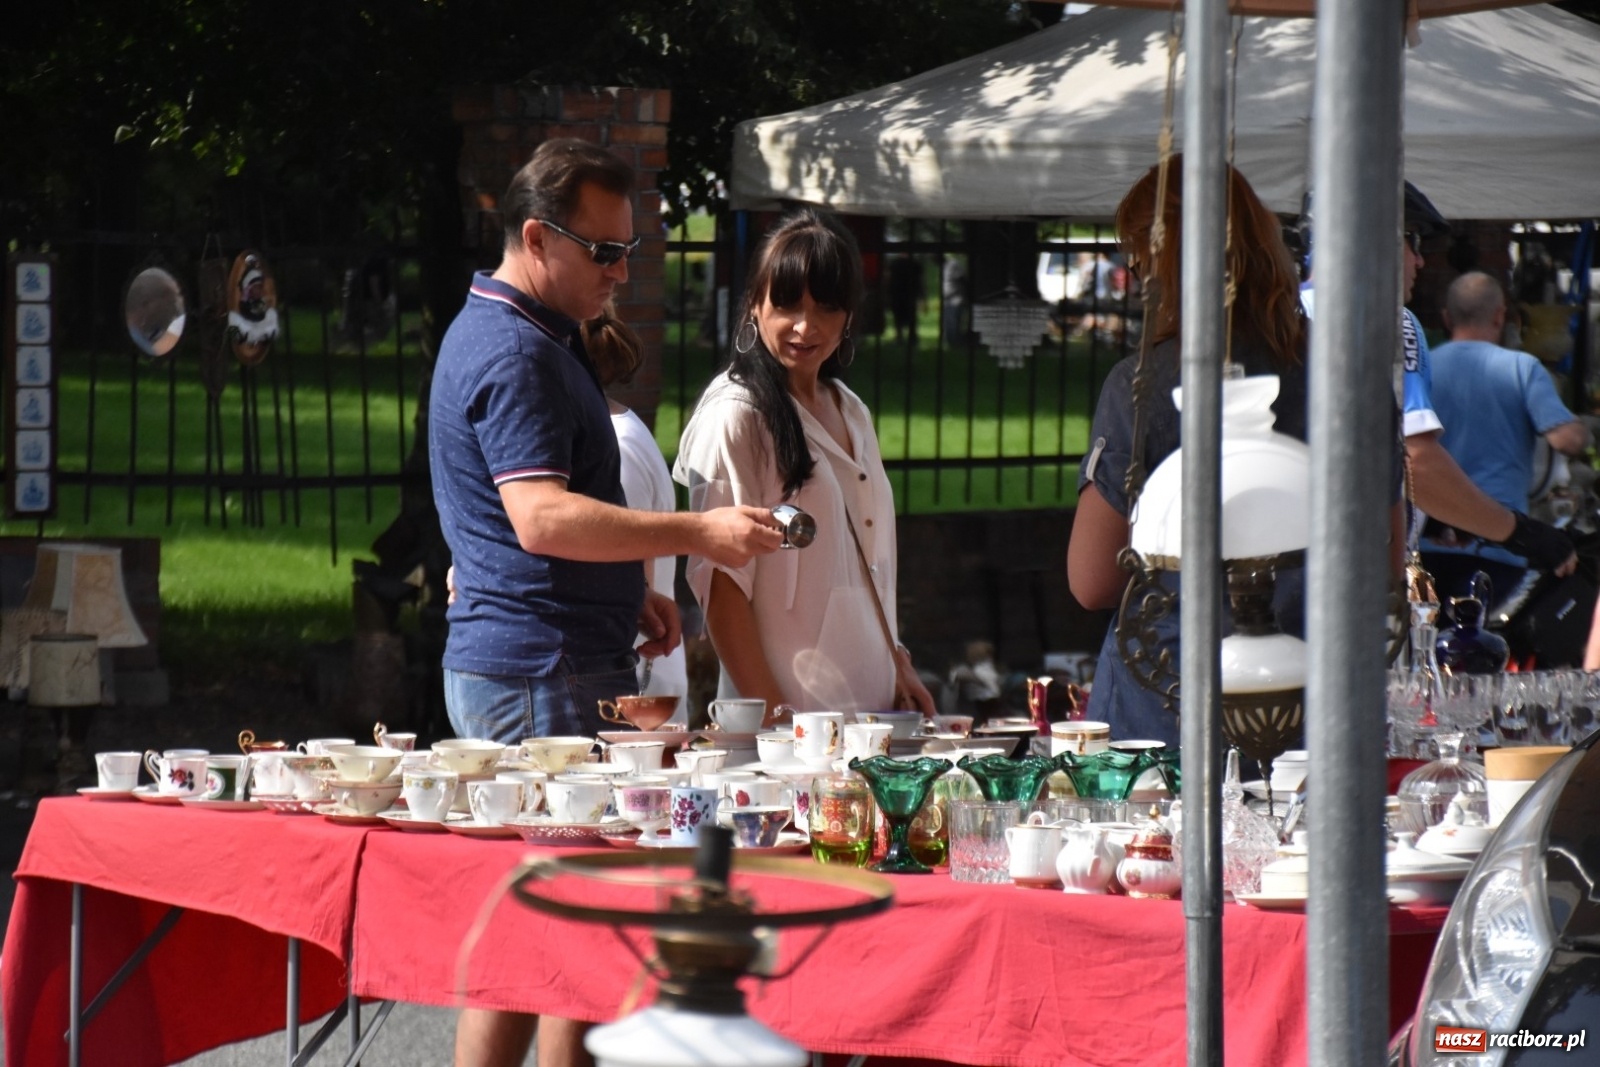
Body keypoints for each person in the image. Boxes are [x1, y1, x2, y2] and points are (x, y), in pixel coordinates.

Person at [428, 137, 782, 1067]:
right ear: (539, 238)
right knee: (564, 938)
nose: (624, 273)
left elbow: (524, 524)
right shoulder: (519, 348)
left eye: (632, 251)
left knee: (537, 940)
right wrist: (694, 535)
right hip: (541, 670)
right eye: (607, 252)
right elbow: (541, 518)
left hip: (538, 655)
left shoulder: (519, 330)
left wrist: (624, 591)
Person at [1066, 158, 1312, 745]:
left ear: (1160, 265)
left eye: (1137, 255)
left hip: (1169, 707)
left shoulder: (1144, 387)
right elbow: (1382, 561)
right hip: (1315, 702)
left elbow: (1092, 579)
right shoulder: (1346, 379)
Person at [675, 208, 936, 722]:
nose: (805, 326)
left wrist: (898, 664)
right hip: (788, 738)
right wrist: (776, 720)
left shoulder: (850, 409)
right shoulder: (737, 414)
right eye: (788, 304)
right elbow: (720, 585)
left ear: (850, 315)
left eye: (826, 307)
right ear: (754, 304)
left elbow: (871, 566)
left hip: (872, 721)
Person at [581, 305, 690, 723]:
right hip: (636, 691)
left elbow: (630, 584)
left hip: (637, 699)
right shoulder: (612, 433)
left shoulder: (616, 448)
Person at [1429, 271, 1590, 514]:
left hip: (1432, 531)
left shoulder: (1421, 369)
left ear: (1446, 318)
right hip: (1501, 530)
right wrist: (1582, 430)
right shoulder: (1523, 369)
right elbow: (1566, 440)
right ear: (1499, 316)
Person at [886, 253, 924, 349]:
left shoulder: (895, 263)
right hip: (909, 294)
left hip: (898, 293)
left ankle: (901, 338)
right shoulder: (914, 264)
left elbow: (888, 278)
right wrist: (922, 295)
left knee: (899, 317)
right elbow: (921, 281)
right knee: (910, 317)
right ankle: (911, 338)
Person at [941, 255, 967, 342]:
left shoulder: (953, 264)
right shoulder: (944, 266)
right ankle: (951, 341)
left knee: (954, 322)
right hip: (948, 299)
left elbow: (962, 279)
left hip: (956, 298)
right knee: (948, 322)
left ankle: (956, 342)